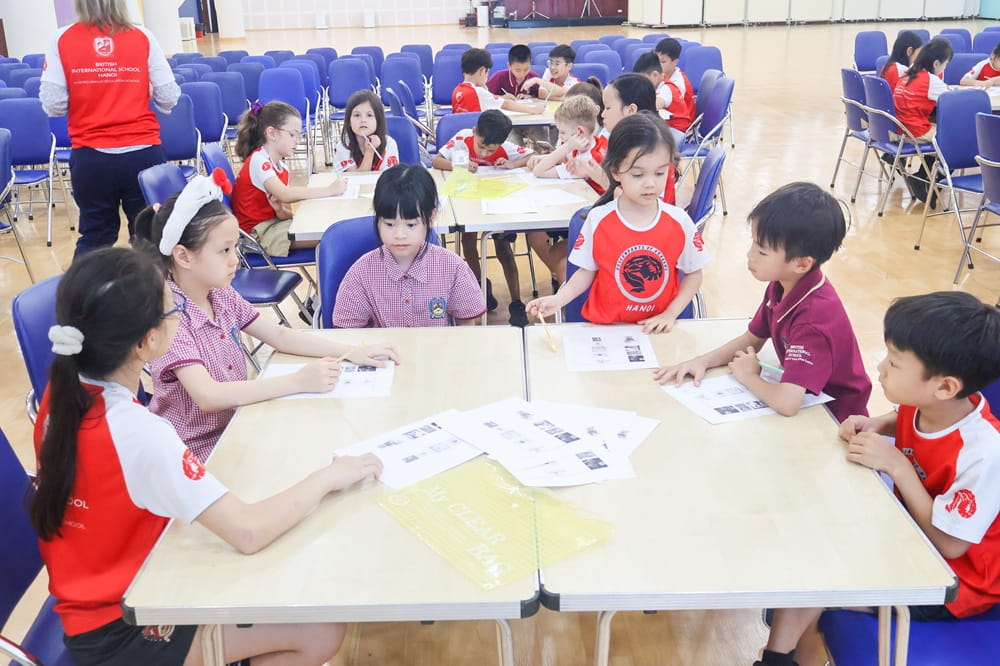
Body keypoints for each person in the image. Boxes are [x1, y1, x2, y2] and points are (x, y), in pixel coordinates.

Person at [31, 246, 384, 666]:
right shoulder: (137, 434)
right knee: (320, 629)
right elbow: (248, 533)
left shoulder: (61, 393)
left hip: (98, 594)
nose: (179, 316)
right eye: (170, 312)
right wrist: (329, 476)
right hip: (125, 625)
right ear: (147, 342)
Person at [754, 291, 1000, 666]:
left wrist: (898, 465)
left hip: (953, 584)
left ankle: (777, 659)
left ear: (945, 386)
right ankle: (783, 656)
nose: (881, 367)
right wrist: (877, 424)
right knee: (814, 547)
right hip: (907, 537)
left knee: (817, 579)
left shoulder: (985, 453)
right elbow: (907, 418)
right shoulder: (933, 405)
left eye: (895, 362)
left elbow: (951, 546)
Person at [133, 173, 398, 462]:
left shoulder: (219, 293)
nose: (235, 259)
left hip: (236, 425)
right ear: (183, 256)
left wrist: (351, 351)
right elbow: (208, 396)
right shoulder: (169, 316)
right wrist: (298, 382)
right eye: (224, 250)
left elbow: (280, 336)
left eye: (234, 247)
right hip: (194, 455)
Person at [655, 182, 871, 423]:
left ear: (801, 263)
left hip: (836, 421)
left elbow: (787, 403)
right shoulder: (783, 284)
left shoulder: (813, 319)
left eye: (762, 251)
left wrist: (749, 376)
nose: (750, 255)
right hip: (806, 403)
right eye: (754, 244)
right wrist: (701, 362)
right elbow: (751, 339)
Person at [526, 113, 708, 333]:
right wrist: (559, 300)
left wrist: (670, 314)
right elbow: (585, 273)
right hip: (606, 330)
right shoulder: (598, 219)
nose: (651, 183)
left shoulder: (679, 221)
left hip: (658, 331)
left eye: (660, 173)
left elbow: (694, 274)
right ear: (615, 172)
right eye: (638, 175)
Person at [40, 0, 179, 257]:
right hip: (143, 153)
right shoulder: (142, 36)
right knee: (149, 235)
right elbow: (169, 95)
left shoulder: (61, 38)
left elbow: (53, 104)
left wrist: (85, 93)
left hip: (92, 157)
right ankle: (154, 297)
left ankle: (83, 297)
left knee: (95, 235)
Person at [333, 165, 487, 328]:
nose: (400, 234)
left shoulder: (452, 267)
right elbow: (347, 331)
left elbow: (467, 327)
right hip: (384, 352)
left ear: (430, 218)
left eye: (411, 224)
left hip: (439, 351)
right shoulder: (362, 273)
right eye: (390, 224)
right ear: (377, 219)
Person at [432, 110, 531, 327]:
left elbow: (530, 156)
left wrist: (512, 164)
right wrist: (457, 166)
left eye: (491, 150)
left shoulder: (506, 147)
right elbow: (436, 161)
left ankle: (516, 302)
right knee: (469, 240)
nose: (485, 153)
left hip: (496, 203)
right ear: (475, 132)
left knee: (503, 247)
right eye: (481, 147)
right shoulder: (462, 139)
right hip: (468, 201)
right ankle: (479, 286)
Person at [232, 101, 347, 257]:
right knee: (333, 237)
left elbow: (283, 211)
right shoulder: (259, 160)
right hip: (257, 235)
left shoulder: (281, 167)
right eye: (292, 134)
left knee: (331, 228)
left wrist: (280, 210)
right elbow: (285, 194)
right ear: (271, 133)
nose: (297, 141)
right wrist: (329, 190)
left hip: (274, 224)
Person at [526, 96, 606, 286]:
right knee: (535, 235)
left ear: (579, 132)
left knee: (544, 242)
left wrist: (567, 147)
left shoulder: (588, 157)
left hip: (593, 222)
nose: (560, 137)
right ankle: (563, 282)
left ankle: (566, 284)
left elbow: (540, 171)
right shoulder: (588, 145)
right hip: (580, 211)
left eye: (562, 133)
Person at [602, 74, 678, 205]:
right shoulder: (624, 143)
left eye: (608, 108)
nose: (603, 114)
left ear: (631, 110)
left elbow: (646, 204)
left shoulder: (654, 151)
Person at [893, 37, 952, 203]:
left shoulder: (909, 72)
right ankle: (927, 180)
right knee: (956, 140)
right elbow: (954, 98)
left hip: (900, 127)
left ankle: (924, 177)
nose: (945, 67)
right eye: (945, 64)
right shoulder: (931, 80)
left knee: (942, 134)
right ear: (936, 64)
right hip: (915, 130)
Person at [452, 48, 545, 114]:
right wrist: (534, 109)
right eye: (487, 72)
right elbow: (507, 104)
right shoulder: (478, 92)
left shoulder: (457, 90)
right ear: (482, 71)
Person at [333, 89, 400, 172]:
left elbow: (389, 178)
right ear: (349, 121)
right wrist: (369, 152)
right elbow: (355, 179)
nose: (363, 120)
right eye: (357, 115)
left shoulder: (389, 144)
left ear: (378, 120)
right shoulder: (343, 146)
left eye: (369, 115)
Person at [633, 51, 692, 142]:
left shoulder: (666, 89)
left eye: (643, 80)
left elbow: (654, 105)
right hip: (670, 130)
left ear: (655, 75)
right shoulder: (661, 83)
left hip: (677, 135)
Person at [653, 38, 696, 133]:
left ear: (675, 62)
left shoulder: (678, 83)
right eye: (657, 60)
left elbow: (659, 104)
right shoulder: (663, 75)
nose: (658, 65)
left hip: (682, 131)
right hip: (668, 123)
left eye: (663, 62)